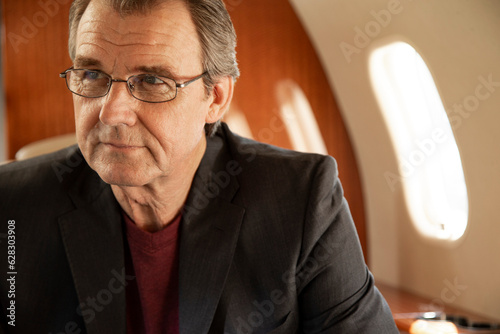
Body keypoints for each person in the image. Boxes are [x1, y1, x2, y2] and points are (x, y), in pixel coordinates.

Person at [0, 0, 398, 332]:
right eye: (91, 74)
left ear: (216, 98)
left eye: (153, 81)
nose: (112, 111)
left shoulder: (301, 199)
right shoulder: (12, 205)